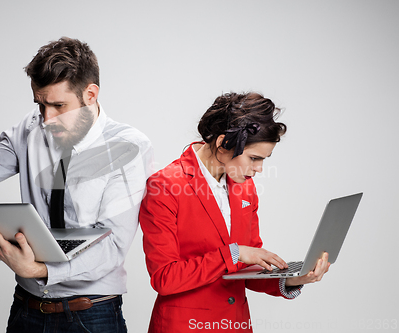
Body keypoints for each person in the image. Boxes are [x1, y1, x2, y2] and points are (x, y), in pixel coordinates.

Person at [0, 37, 152, 333]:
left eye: (58, 105)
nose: (47, 118)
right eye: (40, 104)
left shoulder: (128, 146)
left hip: (91, 313)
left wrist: (39, 270)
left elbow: (113, 247)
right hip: (27, 309)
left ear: (90, 94)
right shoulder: (30, 129)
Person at [139, 92, 330, 332]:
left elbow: (247, 269)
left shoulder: (245, 187)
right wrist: (234, 254)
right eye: (254, 158)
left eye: (264, 159)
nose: (259, 169)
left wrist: (293, 279)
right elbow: (164, 278)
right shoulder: (165, 185)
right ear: (222, 144)